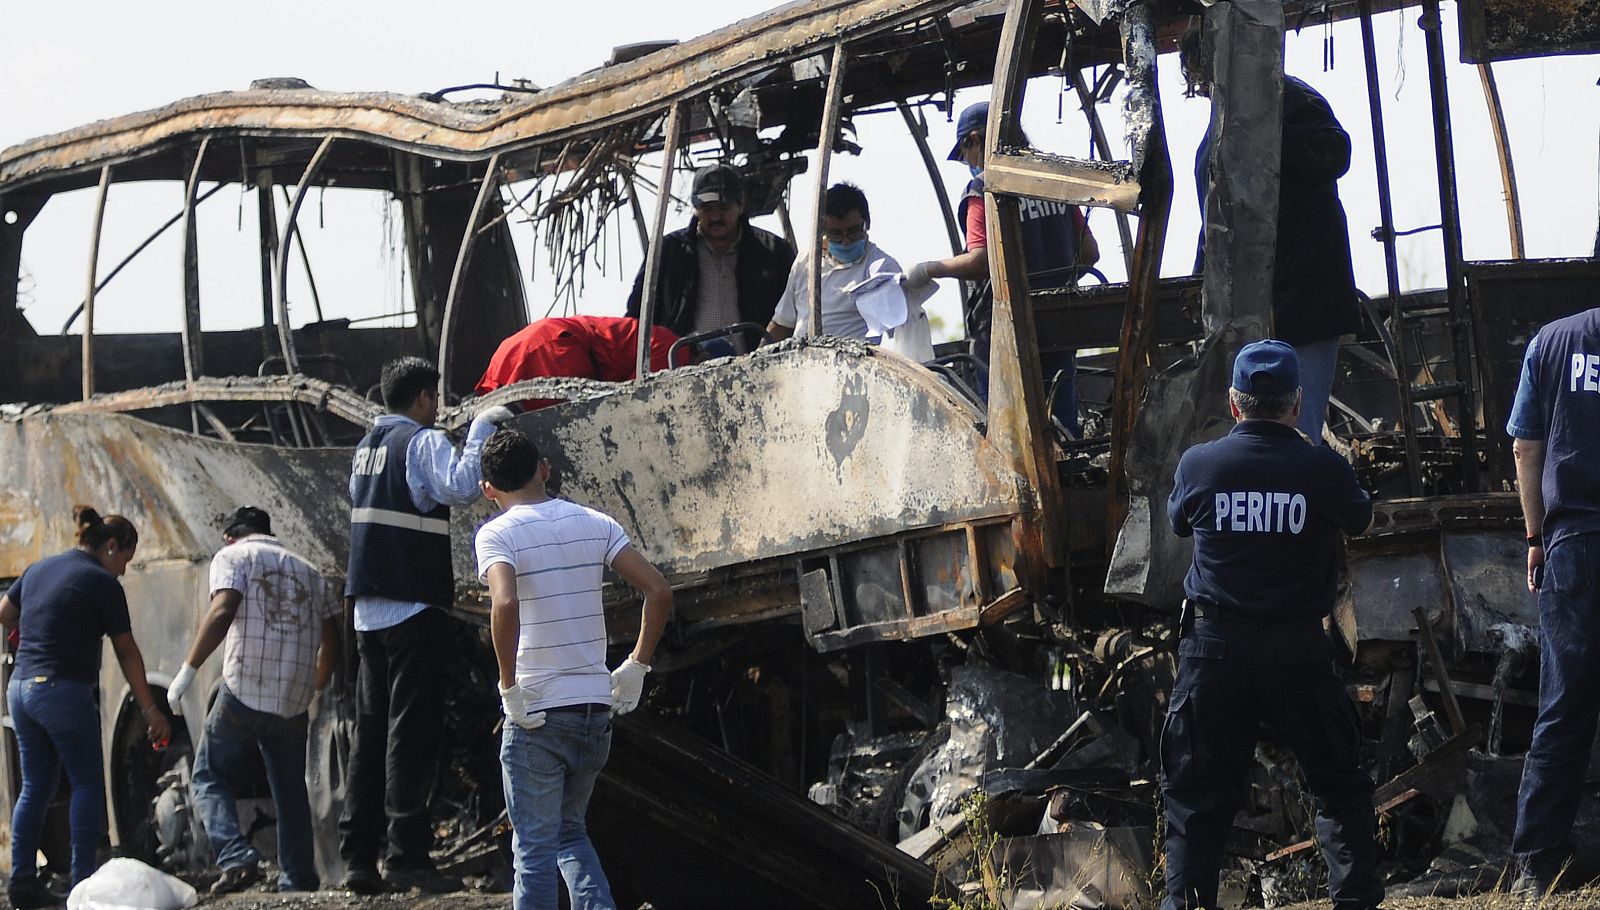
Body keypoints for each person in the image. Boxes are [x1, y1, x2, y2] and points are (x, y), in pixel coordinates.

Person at [1162, 341, 1381, 910]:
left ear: (1234, 404)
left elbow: (1179, 521)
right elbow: (1362, 520)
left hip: (1215, 652)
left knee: (1196, 802)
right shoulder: (1322, 468)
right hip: (1297, 650)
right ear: (1297, 403)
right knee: (1338, 788)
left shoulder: (1200, 464)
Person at [475, 428, 673, 910]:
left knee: (534, 850)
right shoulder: (595, 523)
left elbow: (504, 602)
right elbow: (659, 591)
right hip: (593, 711)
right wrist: (637, 665)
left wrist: (508, 687)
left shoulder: (497, 534)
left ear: (488, 490)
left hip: (538, 715)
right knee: (570, 833)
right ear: (544, 470)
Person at [340, 357, 513, 894]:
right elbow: (460, 487)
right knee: (409, 733)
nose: (436, 408)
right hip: (413, 606)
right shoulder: (420, 442)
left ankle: (358, 859)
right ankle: (407, 856)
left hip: (368, 612)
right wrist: (482, 427)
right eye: (433, 398)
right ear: (421, 398)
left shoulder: (366, 449)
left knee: (371, 733)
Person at [1181, 27, 1361, 444]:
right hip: (1250, 309)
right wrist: (1199, 280)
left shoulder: (1291, 101)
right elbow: (1215, 220)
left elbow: (1334, 153)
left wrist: (1267, 128)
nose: (1205, 89)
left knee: (1296, 430)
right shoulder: (1220, 129)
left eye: (1204, 78)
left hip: (1302, 301)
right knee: (1252, 433)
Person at [0, 507, 171, 909]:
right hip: (62, 690)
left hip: (21, 689)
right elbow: (126, 650)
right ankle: (82, 883)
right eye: (125, 559)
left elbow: (5, 614)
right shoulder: (102, 583)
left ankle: (22, 880)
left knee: (35, 785)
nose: (124, 570)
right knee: (87, 784)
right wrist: (150, 709)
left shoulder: (39, 568)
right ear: (111, 546)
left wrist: (36, 627)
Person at [164, 506, 341, 895]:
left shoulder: (232, 556)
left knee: (208, 774)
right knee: (291, 790)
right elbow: (332, 641)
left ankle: (236, 856)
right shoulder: (311, 571)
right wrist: (313, 686)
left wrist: (187, 672)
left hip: (243, 690)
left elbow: (223, 609)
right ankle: (298, 879)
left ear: (230, 536)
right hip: (292, 700)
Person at [903, 102, 1099, 436]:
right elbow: (1090, 252)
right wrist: (1052, 265)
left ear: (974, 140)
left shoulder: (983, 189)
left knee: (1006, 435)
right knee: (1064, 430)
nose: (969, 163)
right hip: (1060, 323)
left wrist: (928, 270)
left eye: (965, 153)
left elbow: (981, 260)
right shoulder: (1052, 180)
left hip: (1003, 332)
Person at [1505, 307, 1600, 898]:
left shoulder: (1552, 341)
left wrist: (1536, 536)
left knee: (1563, 709)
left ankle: (1537, 870)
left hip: (1575, 546)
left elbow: (1525, 448)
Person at [624, 163, 795, 348]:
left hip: (760, 361)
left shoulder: (773, 252)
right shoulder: (669, 252)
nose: (715, 217)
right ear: (696, 208)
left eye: (723, 207)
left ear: (741, 205)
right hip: (683, 363)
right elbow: (638, 314)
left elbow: (794, 311)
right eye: (707, 209)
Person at [767, 183, 931, 346]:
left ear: (867, 224)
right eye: (836, 234)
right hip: (801, 359)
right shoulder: (806, 261)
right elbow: (782, 323)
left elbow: (900, 329)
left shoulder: (880, 267)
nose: (846, 241)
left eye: (853, 231)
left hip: (853, 360)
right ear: (822, 231)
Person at [475, 315, 683, 409]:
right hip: (553, 350)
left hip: (516, 349)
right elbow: (633, 404)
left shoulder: (658, 339)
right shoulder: (672, 351)